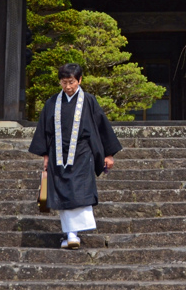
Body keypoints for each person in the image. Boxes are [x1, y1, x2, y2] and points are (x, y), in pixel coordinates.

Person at [29, 62, 122, 249]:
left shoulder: (89, 101)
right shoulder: (52, 103)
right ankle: (71, 234)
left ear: (79, 80)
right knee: (62, 191)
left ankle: (72, 234)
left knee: (78, 190)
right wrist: (45, 156)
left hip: (82, 153)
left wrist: (109, 154)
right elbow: (45, 130)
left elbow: (102, 126)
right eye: (64, 83)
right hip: (57, 154)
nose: (68, 87)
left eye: (71, 82)